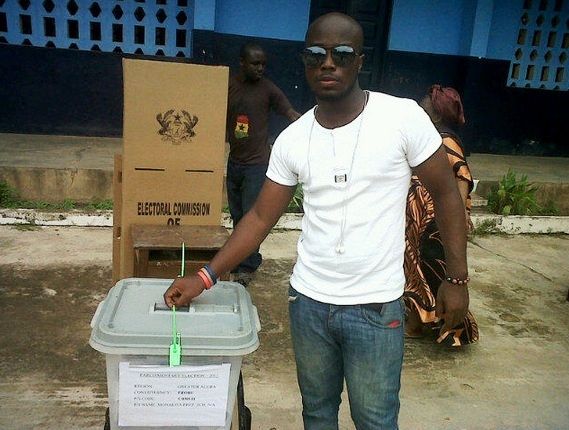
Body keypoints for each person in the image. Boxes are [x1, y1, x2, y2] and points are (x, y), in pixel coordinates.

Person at [165, 13, 470, 430]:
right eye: (316, 54)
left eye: (342, 54)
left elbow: (447, 195)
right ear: (304, 61)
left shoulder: (401, 119)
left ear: (360, 61)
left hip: (376, 307)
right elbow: (258, 217)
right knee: (318, 414)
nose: (328, 63)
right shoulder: (293, 139)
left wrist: (456, 280)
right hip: (308, 304)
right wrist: (204, 277)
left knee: (376, 420)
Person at [404, 85, 479, 346]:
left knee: (430, 271)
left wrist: (458, 218)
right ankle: (418, 322)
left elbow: (462, 179)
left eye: (424, 107)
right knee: (417, 271)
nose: (419, 110)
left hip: (434, 225)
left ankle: (448, 329)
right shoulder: (428, 139)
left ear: (435, 114)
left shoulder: (446, 141)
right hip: (420, 223)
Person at [226, 42, 300, 285]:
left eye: (263, 64)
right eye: (255, 64)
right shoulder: (229, 87)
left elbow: (289, 112)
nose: (260, 68)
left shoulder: (268, 89)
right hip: (234, 161)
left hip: (257, 165)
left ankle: (248, 265)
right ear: (242, 63)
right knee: (237, 215)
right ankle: (237, 257)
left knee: (250, 215)